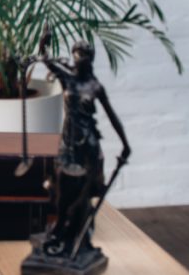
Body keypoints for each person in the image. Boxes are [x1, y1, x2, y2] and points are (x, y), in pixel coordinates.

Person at [33, 41, 130, 262]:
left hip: (88, 144)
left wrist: (125, 143)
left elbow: (112, 116)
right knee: (59, 187)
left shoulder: (95, 86)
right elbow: (46, 59)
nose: (80, 59)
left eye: (85, 56)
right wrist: (43, 41)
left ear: (90, 59)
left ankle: (76, 234)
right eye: (77, 55)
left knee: (83, 192)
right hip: (68, 143)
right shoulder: (67, 78)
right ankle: (58, 229)